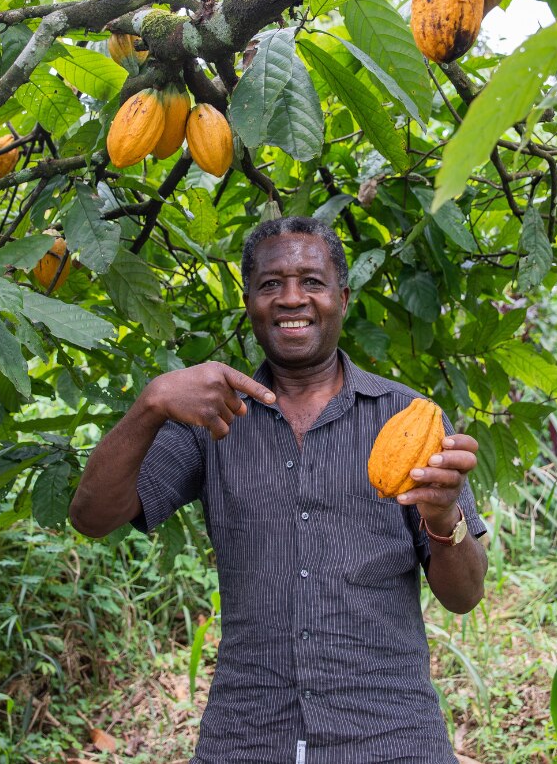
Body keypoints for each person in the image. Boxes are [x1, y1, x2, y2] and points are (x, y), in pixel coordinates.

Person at [69, 216, 488, 763]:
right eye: (271, 284)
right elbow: (91, 516)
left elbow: (465, 596)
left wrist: (442, 517)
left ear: (341, 296)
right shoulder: (211, 417)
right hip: (248, 733)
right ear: (248, 302)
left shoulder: (409, 418)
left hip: (390, 734)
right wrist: (150, 403)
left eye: (311, 282)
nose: (292, 298)